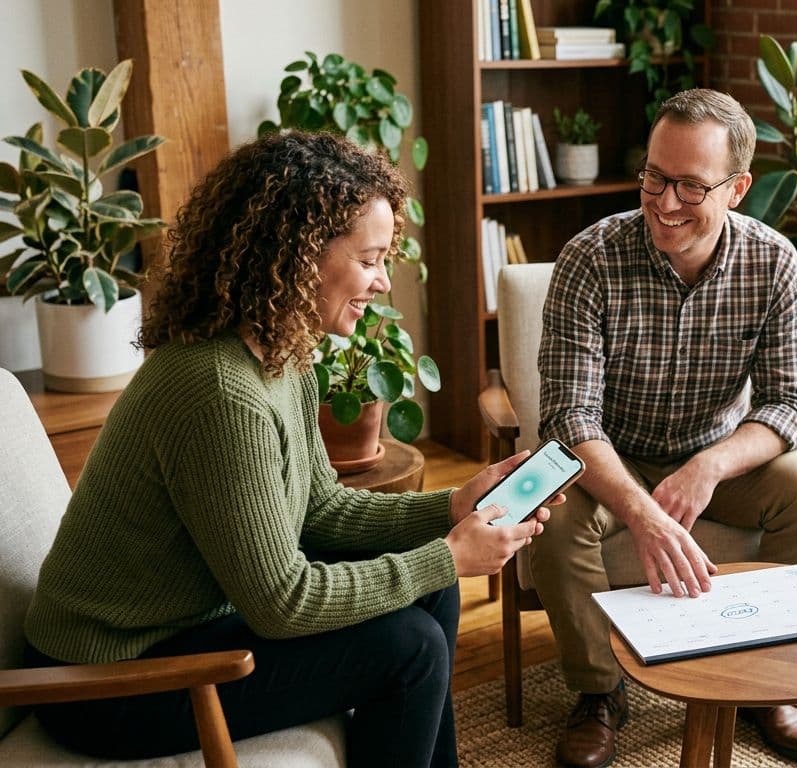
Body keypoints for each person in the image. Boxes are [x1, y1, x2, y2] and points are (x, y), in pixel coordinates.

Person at [22, 131, 551, 768]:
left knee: (429, 591)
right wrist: (447, 556)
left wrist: (449, 511)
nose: (384, 281)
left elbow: (320, 508)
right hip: (107, 682)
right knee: (409, 644)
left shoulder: (280, 351)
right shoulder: (219, 391)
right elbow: (282, 602)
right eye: (371, 258)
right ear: (301, 254)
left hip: (185, 623)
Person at [533, 88, 797, 768]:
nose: (664, 202)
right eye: (653, 176)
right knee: (552, 519)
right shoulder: (590, 258)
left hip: (718, 458)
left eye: (689, 186)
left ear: (737, 188)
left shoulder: (773, 263)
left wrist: (708, 468)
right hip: (604, 457)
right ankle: (599, 692)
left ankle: (768, 681)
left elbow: (790, 403)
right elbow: (568, 416)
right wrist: (642, 513)